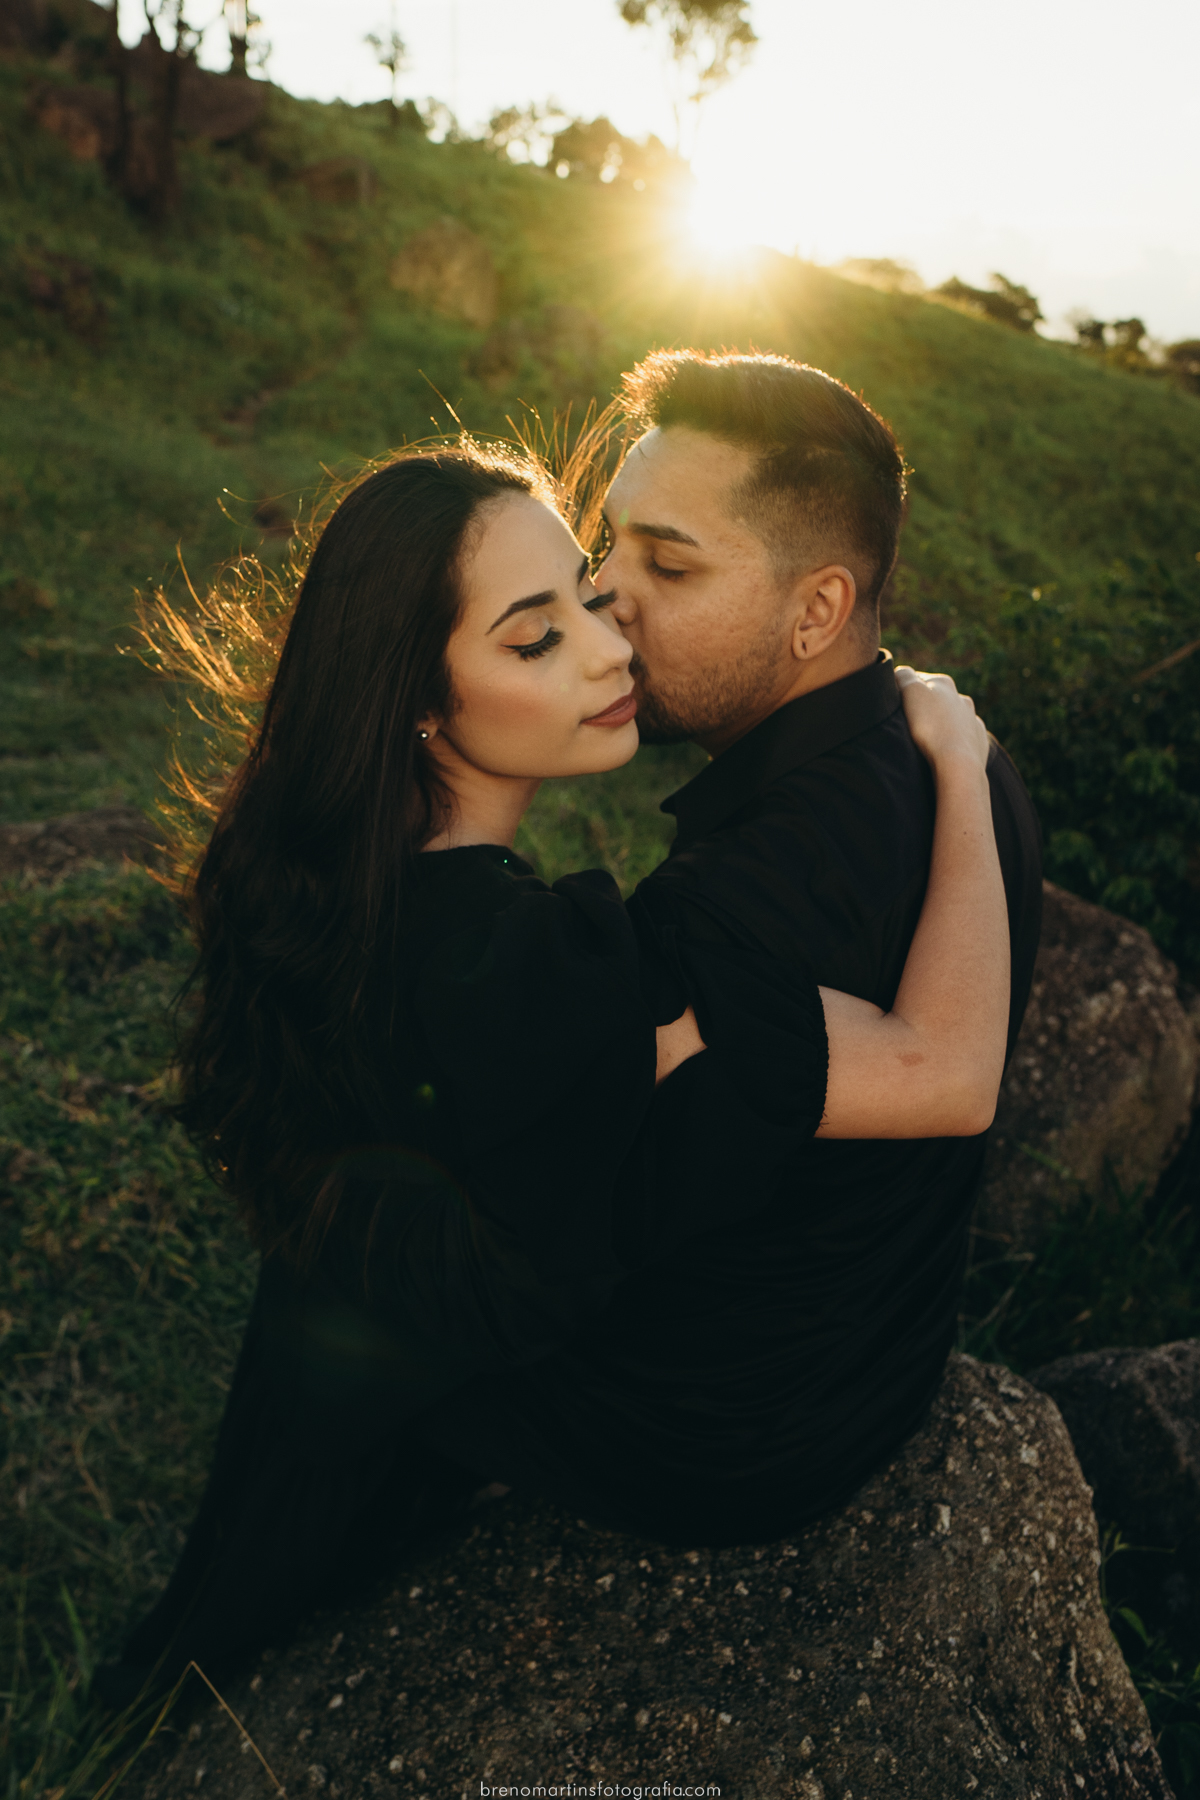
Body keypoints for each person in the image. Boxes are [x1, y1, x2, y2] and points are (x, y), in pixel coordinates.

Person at [96, 394, 1012, 1707]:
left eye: (592, 596)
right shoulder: (551, 978)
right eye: (539, 637)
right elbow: (947, 1073)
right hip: (644, 1426)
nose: (608, 646)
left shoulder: (338, 891)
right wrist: (963, 769)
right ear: (419, 699)